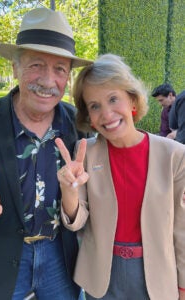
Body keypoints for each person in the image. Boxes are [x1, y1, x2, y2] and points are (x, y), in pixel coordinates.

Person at [0, 7, 93, 300]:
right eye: (35, 65)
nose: (47, 81)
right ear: (15, 69)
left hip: (61, 257)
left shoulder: (78, 126)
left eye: (60, 69)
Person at [55, 53, 185, 300]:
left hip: (156, 278)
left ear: (133, 101)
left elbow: (183, 229)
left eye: (113, 99)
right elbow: (77, 220)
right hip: (102, 277)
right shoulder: (86, 153)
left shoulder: (175, 156)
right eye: (94, 106)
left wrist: (183, 287)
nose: (106, 114)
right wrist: (69, 189)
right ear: (89, 119)